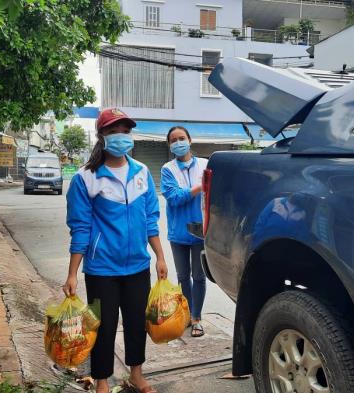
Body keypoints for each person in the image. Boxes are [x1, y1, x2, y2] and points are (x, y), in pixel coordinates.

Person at [63, 108, 168, 393]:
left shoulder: (142, 173)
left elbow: (150, 219)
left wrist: (159, 256)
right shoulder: (86, 178)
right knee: (103, 326)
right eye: (113, 132)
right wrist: (72, 273)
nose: (121, 137)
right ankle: (101, 380)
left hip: (137, 265)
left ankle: (136, 374)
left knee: (137, 324)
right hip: (101, 268)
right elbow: (80, 228)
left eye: (125, 131)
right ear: (102, 136)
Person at [160, 126, 208, 338]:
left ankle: (196, 318)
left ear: (190, 139)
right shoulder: (167, 169)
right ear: (169, 145)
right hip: (178, 232)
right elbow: (174, 198)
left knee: (199, 276)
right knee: (182, 276)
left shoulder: (206, 165)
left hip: (200, 231)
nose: (178, 142)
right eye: (173, 140)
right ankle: (186, 315)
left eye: (181, 138)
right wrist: (199, 188)